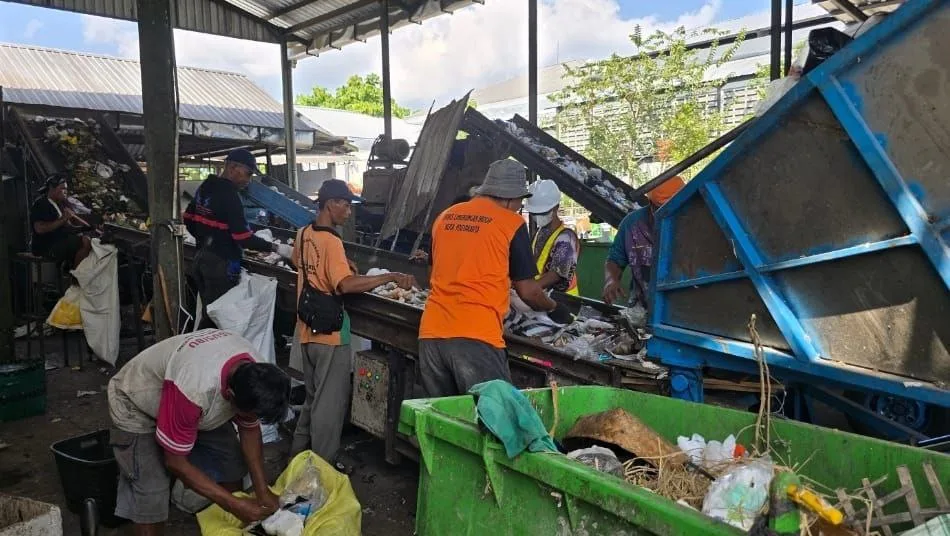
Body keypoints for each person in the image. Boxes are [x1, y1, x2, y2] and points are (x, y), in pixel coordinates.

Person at [107, 329, 291, 535]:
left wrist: (262, 491)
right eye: (248, 413)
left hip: (190, 401)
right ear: (230, 396)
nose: (251, 419)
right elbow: (175, 462)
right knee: (152, 492)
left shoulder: (257, 373)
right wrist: (234, 504)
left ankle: (231, 526)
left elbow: (249, 429)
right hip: (135, 402)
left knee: (231, 463)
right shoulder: (194, 389)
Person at [289, 179, 416, 461]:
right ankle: (322, 470)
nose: (348, 212)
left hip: (307, 331)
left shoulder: (303, 233)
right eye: (345, 206)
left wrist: (342, 267)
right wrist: (388, 277)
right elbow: (344, 286)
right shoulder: (331, 240)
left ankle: (296, 457)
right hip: (330, 334)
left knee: (313, 399)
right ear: (331, 203)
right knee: (329, 406)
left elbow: (300, 263)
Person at [418, 159, 558, 398]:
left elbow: (433, 275)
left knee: (445, 421)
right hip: (476, 339)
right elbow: (528, 292)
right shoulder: (511, 223)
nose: (519, 208)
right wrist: (555, 308)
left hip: (431, 336)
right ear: (509, 198)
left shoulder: (445, 217)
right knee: (493, 420)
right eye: (519, 202)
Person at [184, 149, 293, 328]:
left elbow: (188, 218)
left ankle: (204, 348)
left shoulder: (206, 187)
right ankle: (217, 352)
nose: (248, 180)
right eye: (248, 174)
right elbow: (243, 237)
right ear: (233, 167)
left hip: (201, 258)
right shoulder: (230, 195)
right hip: (221, 265)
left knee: (209, 310)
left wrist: (206, 239)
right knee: (221, 318)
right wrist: (278, 248)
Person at [603, 176, 686, 307]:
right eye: (660, 209)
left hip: (681, 309)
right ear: (650, 204)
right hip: (641, 307)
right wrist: (611, 281)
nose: (666, 215)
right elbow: (614, 260)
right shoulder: (631, 224)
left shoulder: (692, 224)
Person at [524, 179, 580, 296]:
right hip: (541, 295)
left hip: (563, 300)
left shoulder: (567, 237)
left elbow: (556, 274)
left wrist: (528, 289)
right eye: (534, 213)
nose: (538, 217)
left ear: (556, 207)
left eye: (543, 212)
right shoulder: (540, 232)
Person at [29, 174, 92, 269]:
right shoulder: (41, 203)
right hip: (46, 247)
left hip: (59, 242)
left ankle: (71, 270)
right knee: (85, 241)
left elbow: (68, 227)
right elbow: (39, 229)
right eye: (63, 188)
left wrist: (85, 228)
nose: (65, 192)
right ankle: (76, 278)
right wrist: (63, 219)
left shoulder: (60, 205)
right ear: (51, 188)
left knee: (90, 240)